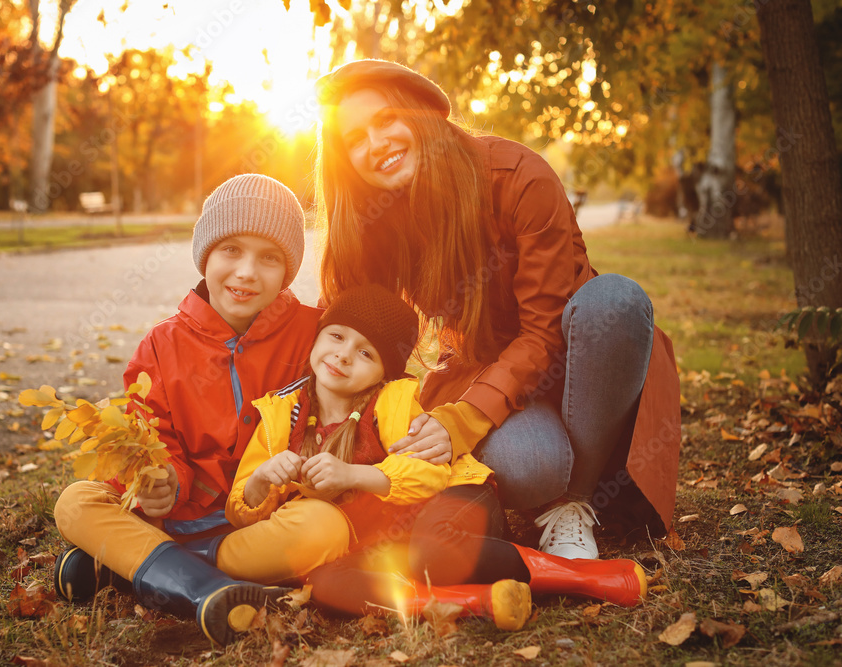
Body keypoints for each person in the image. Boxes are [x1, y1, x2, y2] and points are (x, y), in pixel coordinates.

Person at [314, 60, 681, 560]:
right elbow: (347, 320)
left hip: (582, 360)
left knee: (616, 301)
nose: (375, 144)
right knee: (531, 465)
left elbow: (545, 331)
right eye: (355, 138)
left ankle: (574, 501)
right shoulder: (376, 217)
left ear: (421, 115)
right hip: (493, 375)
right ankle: (553, 487)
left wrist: (465, 419)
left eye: (385, 121)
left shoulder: (517, 175)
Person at [217, 284, 646, 632]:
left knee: (433, 553)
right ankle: (472, 604)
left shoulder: (392, 401)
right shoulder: (279, 413)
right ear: (318, 336)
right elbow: (242, 506)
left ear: (384, 370)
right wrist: (260, 482)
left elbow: (428, 473)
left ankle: (586, 577)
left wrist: (354, 475)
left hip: (453, 501)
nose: (344, 354)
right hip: (387, 542)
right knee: (327, 583)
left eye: (366, 352)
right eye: (336, 336)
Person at [52, 173, 322, 645]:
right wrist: (162, 480)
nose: (246, 272)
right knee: (76, 502)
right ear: (205, 255)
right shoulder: (162, 344)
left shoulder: (312, 334)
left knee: (324, 528)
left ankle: (133, 568)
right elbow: (149, 435)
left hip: (263, 523)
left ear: (288, 270)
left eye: (269, 257)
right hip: (178, 518)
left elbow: (359, 380)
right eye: (231, 250)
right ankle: (207, 591)